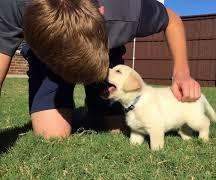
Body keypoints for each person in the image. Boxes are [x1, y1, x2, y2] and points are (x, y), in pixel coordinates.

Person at [0, 0, 201, 139]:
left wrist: (181, 73)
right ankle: (66, 108)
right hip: (47, 57)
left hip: (104, 56)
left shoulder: (127, 9)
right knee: (52, 135)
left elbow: (172, 21)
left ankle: (94, 109)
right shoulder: (15, 6)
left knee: (113, 127)